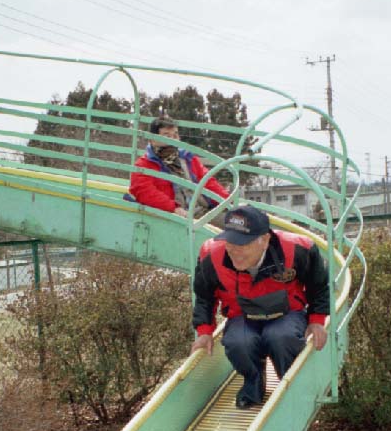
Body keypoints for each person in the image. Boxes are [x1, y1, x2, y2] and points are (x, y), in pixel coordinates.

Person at [190, 205, 329, 409]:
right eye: (230, 242)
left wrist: (317, 321)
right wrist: (204, 332)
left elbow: (319, 286)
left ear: (264, 240)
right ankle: (253, 384)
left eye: (242, 244)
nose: (234, 250)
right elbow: (204, 296)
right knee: (238, 342)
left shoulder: (298, 249)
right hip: (242, 315)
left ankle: (291, 385)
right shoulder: (211, 255)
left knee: (281, 337)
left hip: (286, 313)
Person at [130, 117, 230, 219]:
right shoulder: (143, 165)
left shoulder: (187, 158)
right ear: (153, 140)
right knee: (230, 224)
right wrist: (173, 208)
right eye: (166, 136)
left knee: (235, 220)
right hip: (178, 216)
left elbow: (208, 182)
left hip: (201, 210)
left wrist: (228, 201)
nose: (173, 139)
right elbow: (144, 192)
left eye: (175, 135)